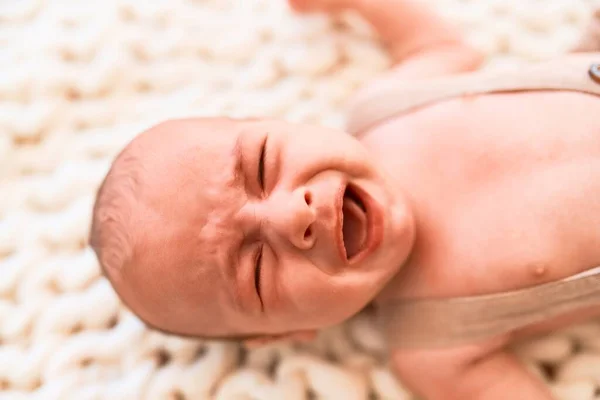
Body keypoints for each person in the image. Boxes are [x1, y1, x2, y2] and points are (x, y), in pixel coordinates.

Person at [89, 0, 600, 398]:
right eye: (260, 269)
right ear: (290, 332)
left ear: (280, 123)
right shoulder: (434, 346)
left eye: (263, 165)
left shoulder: (382, 110)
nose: (294, 216)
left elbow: (433, 45)